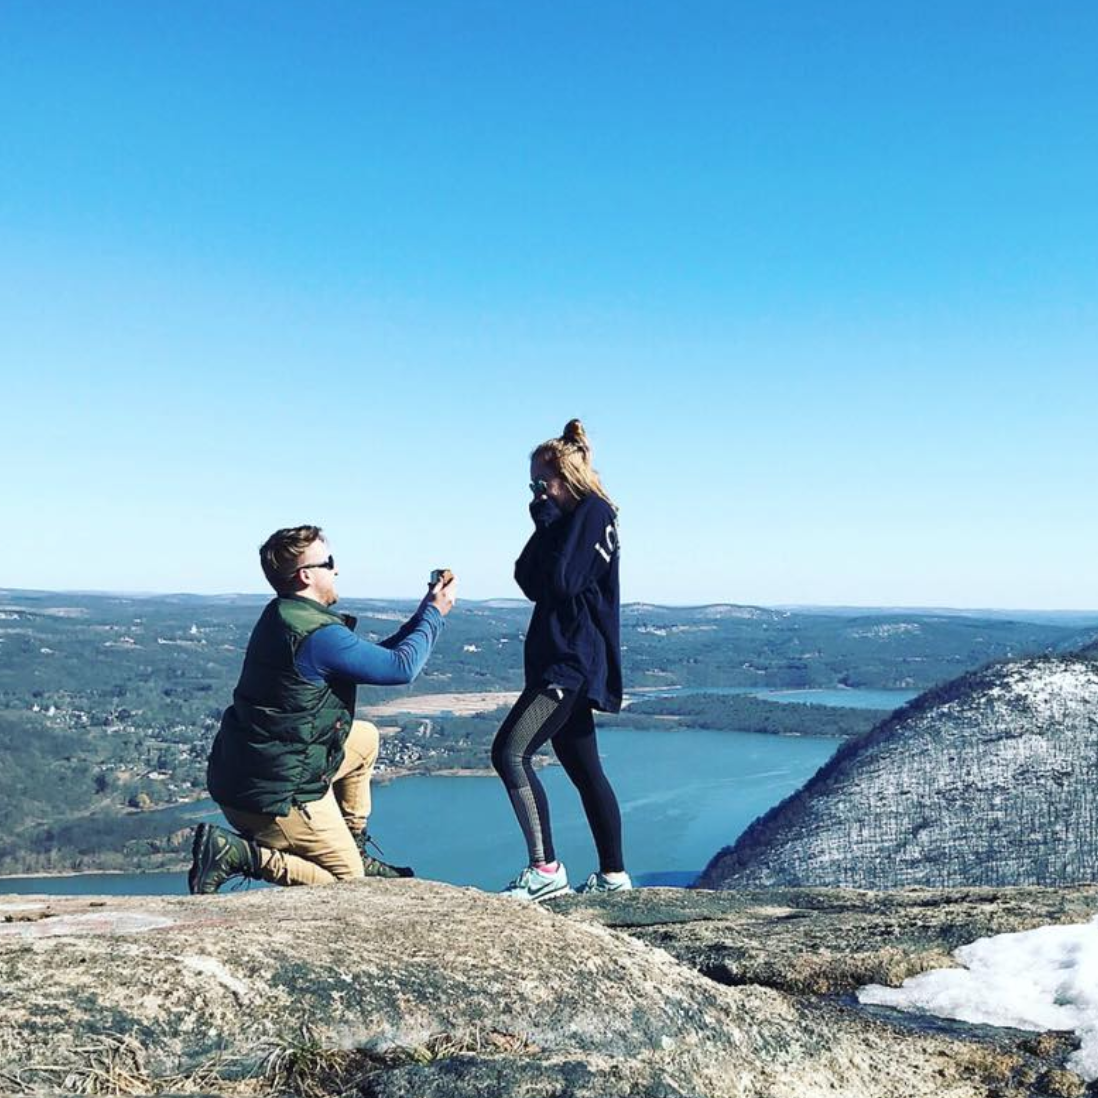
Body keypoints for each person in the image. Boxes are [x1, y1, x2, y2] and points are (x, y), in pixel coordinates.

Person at [189, 525, 456, 893]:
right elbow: (401, 668)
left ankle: (353, 846)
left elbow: (381, 658)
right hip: (275, 797)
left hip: (246, 776)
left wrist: (425, 612)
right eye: (329, 562)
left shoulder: (285, 615)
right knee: (348, 885)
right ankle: (240, 855)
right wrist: (435, 616)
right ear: (306, 575)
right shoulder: (317, 635)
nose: (336, 570)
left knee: (363, 738)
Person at [491, 419, 631, 900]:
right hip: (563, 658)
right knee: (585, 768)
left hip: (569, 662)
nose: (536, 494)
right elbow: (528, 578)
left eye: (542, 484)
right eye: (531, 486)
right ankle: (614, 878)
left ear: (566, 478)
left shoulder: (593, 513)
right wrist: (546, 525)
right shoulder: (570, 520)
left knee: (510, 753)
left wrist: (550, 526)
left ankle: (545, 871)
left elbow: (566, 582)